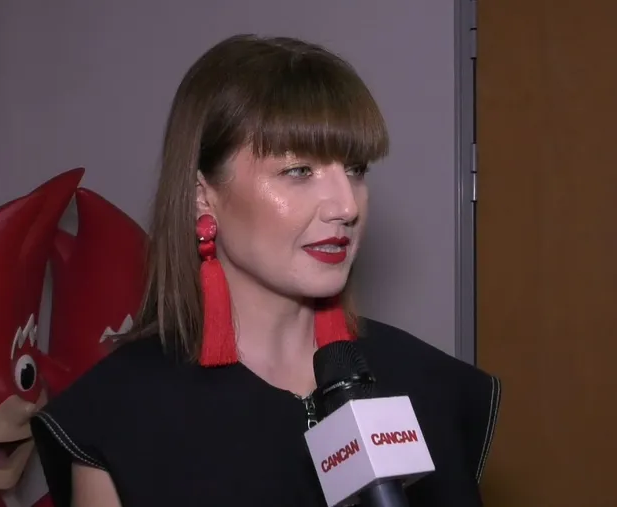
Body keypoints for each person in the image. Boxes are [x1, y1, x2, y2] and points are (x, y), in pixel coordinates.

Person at [31, 34, 502, 507]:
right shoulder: (121, 413)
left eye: (356, 169)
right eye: (299, 171)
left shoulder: (431, 387)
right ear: (202, 197)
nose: (346, 206)